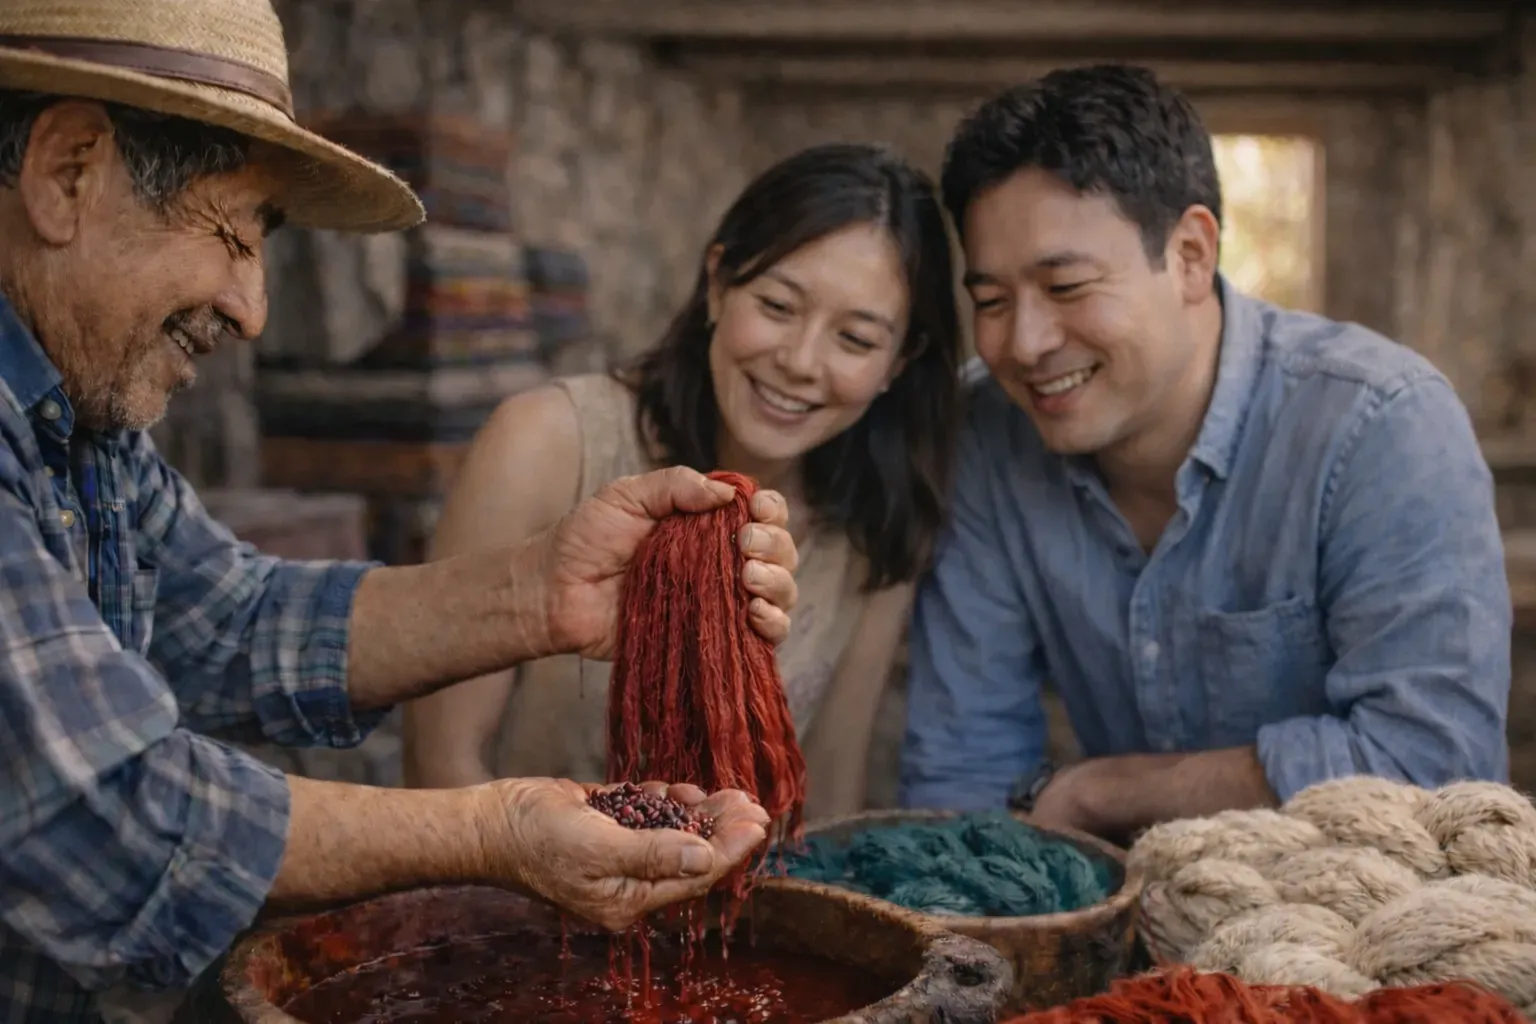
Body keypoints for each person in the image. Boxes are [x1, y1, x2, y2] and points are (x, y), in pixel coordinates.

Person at [0, 2, 802, 1020]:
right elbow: (105, 817)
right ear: (67, 172)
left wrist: (543, 591)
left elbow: (236, 622)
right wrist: (491, 832)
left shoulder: (80, 427)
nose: (251, 308)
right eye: (232, 232)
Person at [898, 65, 1511, 842]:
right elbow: (962, 778)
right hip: (1128, 920)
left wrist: (1100, 792)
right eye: (990, 301)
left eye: (1067, 287)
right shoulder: (983, 434)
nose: (1023, 344)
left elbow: (1435, 763)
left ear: (1190, 253)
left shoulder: (1382, 422)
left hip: (1374, 916)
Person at [402, 142, 962, 819]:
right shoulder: (547, 442)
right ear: (719, 283)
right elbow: (441, 761)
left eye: (856, 340)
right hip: (526, 903)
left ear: (900, 362)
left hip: (747, 913)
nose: (801, 361)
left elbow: (830, 794)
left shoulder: (879, 523)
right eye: (779, 306)